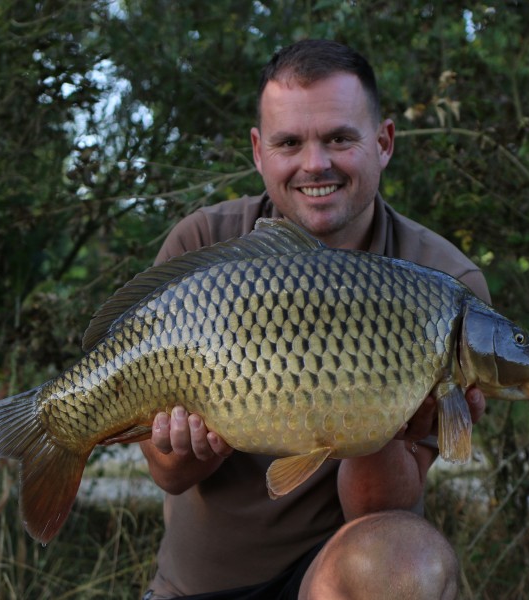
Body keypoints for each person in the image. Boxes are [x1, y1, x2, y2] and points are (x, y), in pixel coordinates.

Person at [139, 39, 490, 600]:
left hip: (332, 579)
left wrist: (394, 417)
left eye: (339, 138)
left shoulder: (443, 285)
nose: (315, 164)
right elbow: (168, 474)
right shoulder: (201, 245)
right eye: (288, 143)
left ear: (383, 142)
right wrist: (180, 445)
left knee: (410, 559)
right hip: (196, 588)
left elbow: (375, 510)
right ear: (258, 152)